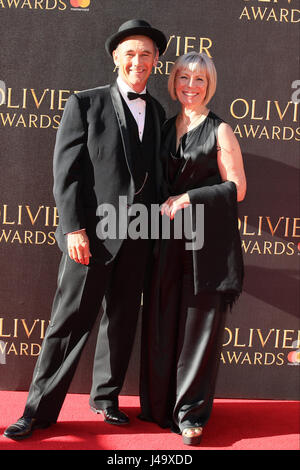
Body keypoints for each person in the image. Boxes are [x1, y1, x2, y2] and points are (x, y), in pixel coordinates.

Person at [4, 19, 167, 440]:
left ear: (155, 62)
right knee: (68, 324)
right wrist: (73, 227)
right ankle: (37, 412)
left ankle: (106, 398)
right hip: (91, 238)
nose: (138, 61)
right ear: (116, 57)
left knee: (122, 319)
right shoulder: (85, 103)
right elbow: (67, 174)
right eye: (130, 53)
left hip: (138, 237)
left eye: (146, 54)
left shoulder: (159, 110)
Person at [139, 51, 246, 446]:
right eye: (183, 77)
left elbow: (238, 187)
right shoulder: (165, 127)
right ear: (173, 82)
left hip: (207, 247)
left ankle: (190, 416)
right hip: (167, 243)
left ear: (209, 84)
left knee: (199, 330)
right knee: (163, 323)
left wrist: (189, 198)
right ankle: (159, 405)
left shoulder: (221, 131)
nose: (190, 85)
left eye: (199, 79)